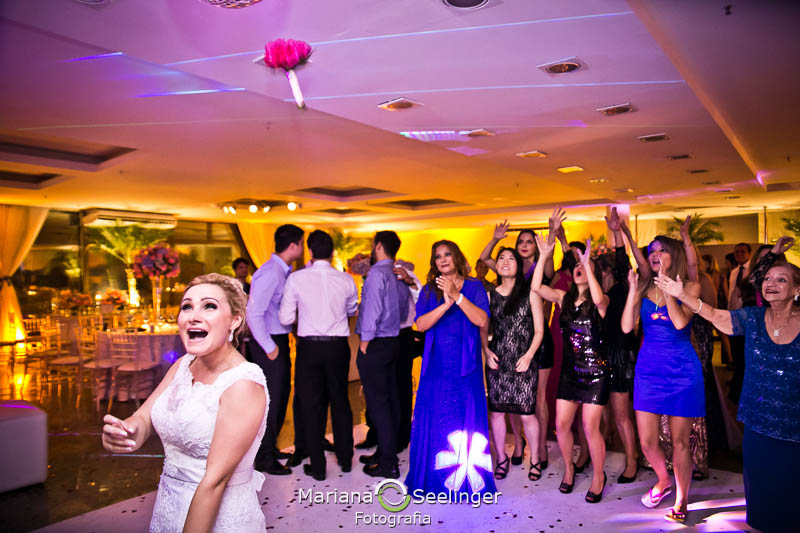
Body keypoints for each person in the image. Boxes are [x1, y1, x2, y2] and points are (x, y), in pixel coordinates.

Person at [102, 274, 268, 532]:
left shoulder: (243, 384)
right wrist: (126, 432)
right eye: (187, 306)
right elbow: (144, 418)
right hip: (169, 507)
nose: (193, 315)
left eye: (209, 306)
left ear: (235, 320)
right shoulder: (182, 365)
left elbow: (214, 481)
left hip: (217, 517)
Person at [655, 254, 799, 531]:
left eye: (781, 280)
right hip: (758, 425)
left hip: (795, 429)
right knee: (763, 498)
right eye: (768, 278)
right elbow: (717, 316)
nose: (771, 283)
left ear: (797, 290)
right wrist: (682, 295)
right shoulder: (754, 318)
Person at [621, 235, 703, 524]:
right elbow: (627, 327)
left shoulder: (690, 286)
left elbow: (680, 323)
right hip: (648, 370)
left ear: (675, 254)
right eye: (652, 251)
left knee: (680, 442)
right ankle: (663, 479)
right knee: (646, 442)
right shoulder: (644, 285)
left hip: (682, 371)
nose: (655, 255)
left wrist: (670, 289)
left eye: (662, 250)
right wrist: (633, 292)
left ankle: (681, 499)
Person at [405, 240, 497, 496]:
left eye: (447, 254)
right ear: (434, 263)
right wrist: (445, 304)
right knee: (436, 418)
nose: (443, 259)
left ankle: (466, 480)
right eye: (437, 257)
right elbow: (420, 325)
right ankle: (435, 480)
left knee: (465, 418)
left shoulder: (474, 286)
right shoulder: (428, 290)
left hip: (466, 366)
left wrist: (457, 297)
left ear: (456, 257)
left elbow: (481, 319)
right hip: (436, 366)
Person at [533, 220, 610, 504]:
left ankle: (599, 476)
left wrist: (588, 265)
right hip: (570, 372)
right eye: (575, 264)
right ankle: (569, 470)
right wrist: (543, 255)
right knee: (562, 425)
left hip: (596, 373)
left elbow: (599, 297)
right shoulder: (563, 298)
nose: (578, 267)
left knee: (590, 427)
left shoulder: (602, 300)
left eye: (584, 265)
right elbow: (537, 287)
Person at [278, 230, 358, 481]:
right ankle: (346, 460)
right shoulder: (346, 280)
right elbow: (352, 309)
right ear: (333, 252)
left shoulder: (296, 279)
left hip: (309, 348)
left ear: (310, 252)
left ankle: (318, 466)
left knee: (312, 406)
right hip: (337, 347)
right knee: (341, 401)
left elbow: (286, 318)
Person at [480, 221, 555, 470]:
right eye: (501, 258)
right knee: (497, 412)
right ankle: (501, 458)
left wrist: (529, 355)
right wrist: (486, 350)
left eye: (510, 258)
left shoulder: (530, 293)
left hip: (525, 359)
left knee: (527, 413)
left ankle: (534, 458)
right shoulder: (490, 295)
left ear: (517, 265)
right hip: (498, 359)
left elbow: (540, 330)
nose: (504, 261)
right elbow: (483, 326)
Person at [246, 224, 304, 476]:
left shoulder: (281, 271)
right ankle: (264, 457)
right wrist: (269, 347)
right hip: (267, 344)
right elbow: (253, 314)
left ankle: (270, 449)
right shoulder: (270, 272)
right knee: (270, 402)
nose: (302, 249)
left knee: (279, 399)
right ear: (293, 246)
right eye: (301, 244)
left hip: (277, 340)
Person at [356, 231, 410, 478]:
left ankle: (388, 463)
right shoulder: (397, 272)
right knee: (391, 401)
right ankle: (384, 453)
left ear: (378, 246)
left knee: (378, 404)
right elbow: (401, 310)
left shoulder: (377, 273)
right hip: (393, 341)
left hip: (376, 343)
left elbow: (372, 310)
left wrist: (365, 341)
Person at [598, 207, 639, 484]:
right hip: (600, 355)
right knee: (600, 412)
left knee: (622, 414)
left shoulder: (621, 289)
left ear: (608, 271)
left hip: (621, 355)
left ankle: (632, 461)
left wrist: (617, 231)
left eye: (599, 270)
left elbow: (624, 262)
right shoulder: (597, 293)